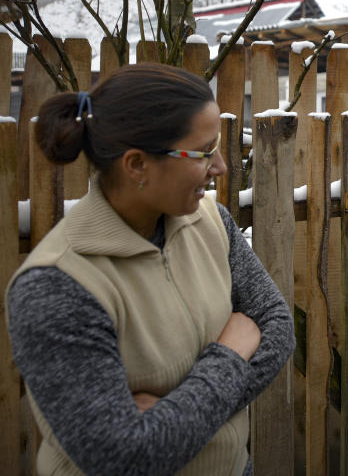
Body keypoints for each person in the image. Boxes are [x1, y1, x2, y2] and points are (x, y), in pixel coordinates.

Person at [5, 63, 295, 476]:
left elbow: (277, 326)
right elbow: (126, 459)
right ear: (137, 164)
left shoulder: (213, 222)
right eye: (203, 152)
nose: (220, 168)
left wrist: (169, 421)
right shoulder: (56, 286)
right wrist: (230, 354)